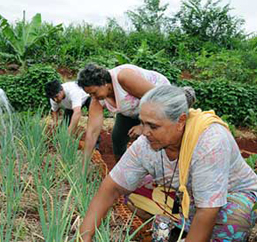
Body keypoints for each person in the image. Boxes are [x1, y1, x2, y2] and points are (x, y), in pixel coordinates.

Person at [79, 85, 257, 242]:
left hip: (230, 194)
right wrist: (85, 236)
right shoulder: (146, 144)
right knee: (131, 193)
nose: (145, 132)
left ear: (180, 121)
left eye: (153, 126)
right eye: (142, 123)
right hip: (187, 194)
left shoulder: (209, 142)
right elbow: (111, 188)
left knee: (232, 221)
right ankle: (178, 227)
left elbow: (207, 210)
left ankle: (184, 229)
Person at [77, 63, 170, 164]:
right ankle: (122, 169)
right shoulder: (96, 100)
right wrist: (84, 164)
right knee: (118, 137)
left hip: (161, 103)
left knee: (150, 137)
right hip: (132, 109)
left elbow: (157, 99)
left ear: (103, 82)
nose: (92, 96)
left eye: (94, 92)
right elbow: (92, 132)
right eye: (89, 94)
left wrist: (143, 125)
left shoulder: (123, 77)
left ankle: (158, 168)